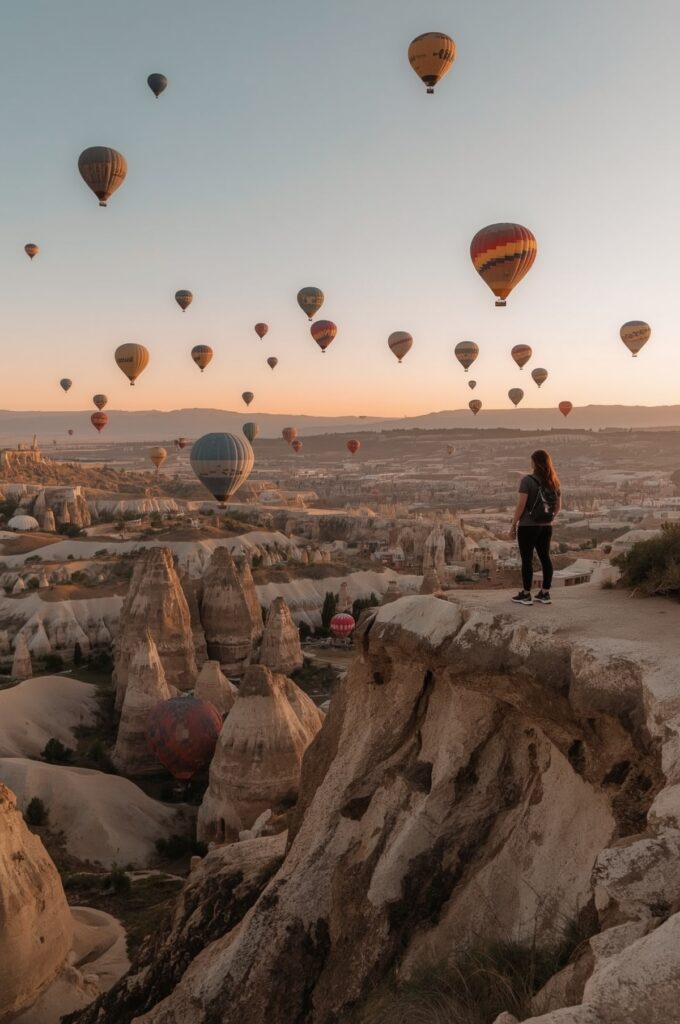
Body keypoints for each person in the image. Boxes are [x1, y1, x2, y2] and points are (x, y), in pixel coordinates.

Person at [509, 449, 561, 606]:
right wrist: (547, 519)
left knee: (527, 560)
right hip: (546, 526)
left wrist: (513, 524)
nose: (529, 463)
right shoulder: (554, 482)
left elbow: (521, 505)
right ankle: (545, 593)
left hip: (528, 526)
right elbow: (558, 507)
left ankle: (526, 594)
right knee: (545, 557)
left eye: (531, 460)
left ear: (535, 463)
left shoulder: (527, 480)